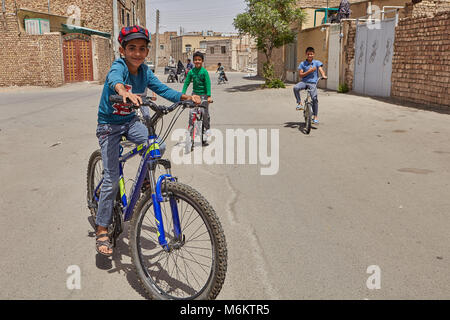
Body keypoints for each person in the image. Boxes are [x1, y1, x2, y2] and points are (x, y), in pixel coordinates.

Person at [95, 25, 201, 256]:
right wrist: (123, 91)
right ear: (122, 50)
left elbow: (162, 89)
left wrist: (187, 97)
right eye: (131, 48)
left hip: (130, 122)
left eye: (142, 49)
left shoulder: (145, 72)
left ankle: (144, 180)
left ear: (146, 51)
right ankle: (102, 227)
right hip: (109, 127)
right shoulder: (119, 66)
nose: (137, 53)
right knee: (112, 179)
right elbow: (114, 80)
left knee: (157, 145)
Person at [182, 51, 213, 143]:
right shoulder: (191, 72)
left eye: (199, 60)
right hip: (195, 94)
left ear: (202, 61)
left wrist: (209, 96)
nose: (197, 61)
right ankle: (190, 132)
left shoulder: (204, 72)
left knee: (205, 113)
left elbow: (208, 84)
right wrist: (183, 93)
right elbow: (187, 82)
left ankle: (207, 128)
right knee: (192, 114)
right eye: (195, 60)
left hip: (204, 95)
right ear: (193, 61)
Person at [293, 47, 327, 124]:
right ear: (306, 54)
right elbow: (301, 75)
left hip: (313, 83)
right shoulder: (302, 64)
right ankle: (299, 103)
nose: (310, 55)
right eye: (308, 54)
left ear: (313, 54)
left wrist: (324, 75)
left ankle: (315, 117)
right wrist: (309, 71)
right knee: (296, 88)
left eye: (311, 54)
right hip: (304, 82)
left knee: (314, 99)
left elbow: (321, 70)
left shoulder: (317, 63)